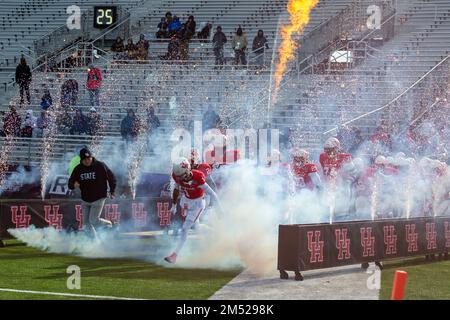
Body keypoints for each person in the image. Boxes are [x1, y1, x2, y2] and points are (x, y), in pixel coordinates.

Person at [164, 157, 222, 264]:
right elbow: (176, 188)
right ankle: (213, 233)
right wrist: (174, 204)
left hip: (198, 203)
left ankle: (174, 255)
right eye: (178, 176)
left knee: (185, 228)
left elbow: (213, 193)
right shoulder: (177, 175)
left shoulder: (198, 177)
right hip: (186, 201)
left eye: (181, 176)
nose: (179, 178)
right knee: (197, 227)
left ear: (187, 170)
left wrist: (220, 210)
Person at [68, 148, 116, 236]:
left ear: (91, 156)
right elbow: (70, 183)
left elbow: (111, 177)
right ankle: (95, 241)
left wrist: (112, 191)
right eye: (85, 159)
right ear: (81, 160)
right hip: (85, 199)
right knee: (86, 223)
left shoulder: (100, 165)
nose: (87, 161)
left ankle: (110, 224)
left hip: (99, 197)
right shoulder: (78, 169)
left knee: (93, 220)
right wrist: (73, 185)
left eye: (88, 158)